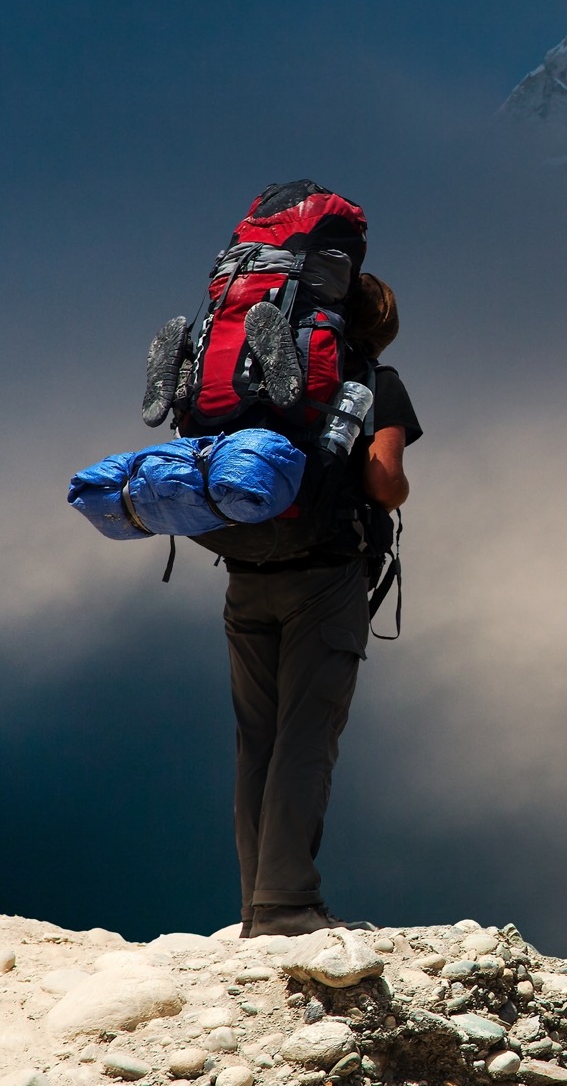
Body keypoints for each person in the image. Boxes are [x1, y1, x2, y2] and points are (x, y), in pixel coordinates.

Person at [215, 270, 422, 937]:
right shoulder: (374, 381)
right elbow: (384, 482)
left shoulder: (263, 378)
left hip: (247, 566)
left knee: (259, 741)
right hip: (325, 579)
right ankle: (287, 907)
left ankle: (258, 906)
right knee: (307, 737)